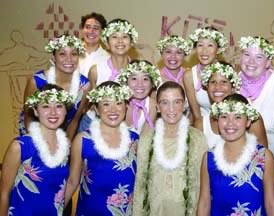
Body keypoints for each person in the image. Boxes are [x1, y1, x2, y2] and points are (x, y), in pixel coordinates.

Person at [197, 94, 274, 216]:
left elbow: (271, 204)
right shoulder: (209, 158)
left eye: (238, 117)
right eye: (224, 116)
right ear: (217, 120)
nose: (230, 123)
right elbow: (204, 202)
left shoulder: (264, 157)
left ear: (248, 121)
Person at [64, 81, 139, 216]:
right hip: (90, 211)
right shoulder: (83, 140)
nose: (113, 110)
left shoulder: (135, 140)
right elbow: (72, 181)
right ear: (97, 109)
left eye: (118, 103)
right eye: (106, 104)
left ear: (126, 106)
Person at [133, 81, 207, 216]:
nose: (171, 109)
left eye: (177, 102)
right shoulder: (147, 139)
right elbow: (140, 185)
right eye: (165, 102)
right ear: (158, 107)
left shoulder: (198, 138)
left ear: (184, 105)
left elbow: (204, 185)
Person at [0, 84, 72, 215]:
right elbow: (4, 193)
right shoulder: (20, 146)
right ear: (35, 111)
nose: (53, 112)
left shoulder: (66, 146)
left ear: (66, 110)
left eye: (59, 106)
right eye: (45, 106)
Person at [20, 34, 89, 140]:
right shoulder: (37, 81)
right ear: (53, 57)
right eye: (62, 54)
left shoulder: (85, 85)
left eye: (74, 54)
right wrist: (40, 145)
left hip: (66, 135)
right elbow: (28, 117)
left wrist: (65, 148)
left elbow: (75, 120)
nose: (69, 59)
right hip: (36, 135)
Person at [78, 18, 138, 132]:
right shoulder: (96, 70)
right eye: (114, 36)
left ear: (132, 42)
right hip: (92, 123)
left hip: (125, 126)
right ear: (106, 42)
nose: (120, 41)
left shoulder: (138, 72)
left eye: (124, 36)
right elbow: (88, 103)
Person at [238, 36, 274, 156]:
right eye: (247, 54)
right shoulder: (230, 85)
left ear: (268, 62)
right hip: (235, 162)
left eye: (259, 57)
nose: (251, 62)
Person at [200, 61, 268, 148]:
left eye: (224, 82)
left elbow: (263, 156)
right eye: (213, 82)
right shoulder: (201, 123)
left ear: (233, 87)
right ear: (207, 87)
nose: (217, 87)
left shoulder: (252, 118)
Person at [184, 26, 228, 129]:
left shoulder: (227, 72)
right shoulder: (189, 76)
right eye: (200, 45)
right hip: (203, 125)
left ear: (218, 50)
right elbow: (196, 114)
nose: (204, 51)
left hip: (227, 125)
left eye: (210, 45)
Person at [116, 59, 160, 135]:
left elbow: (146, 137)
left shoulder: (152, 106)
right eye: (134, 78)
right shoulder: (117, 102)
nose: (140, 84)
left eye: (145, 79)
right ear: (126, 81)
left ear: (152, 84)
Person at [78, 12, 109, 78]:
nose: (91, 31)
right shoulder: (72, 54)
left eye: (96, 28)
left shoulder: (107, 58)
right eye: (87, 27)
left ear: (103, 32)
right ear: (82, 30)